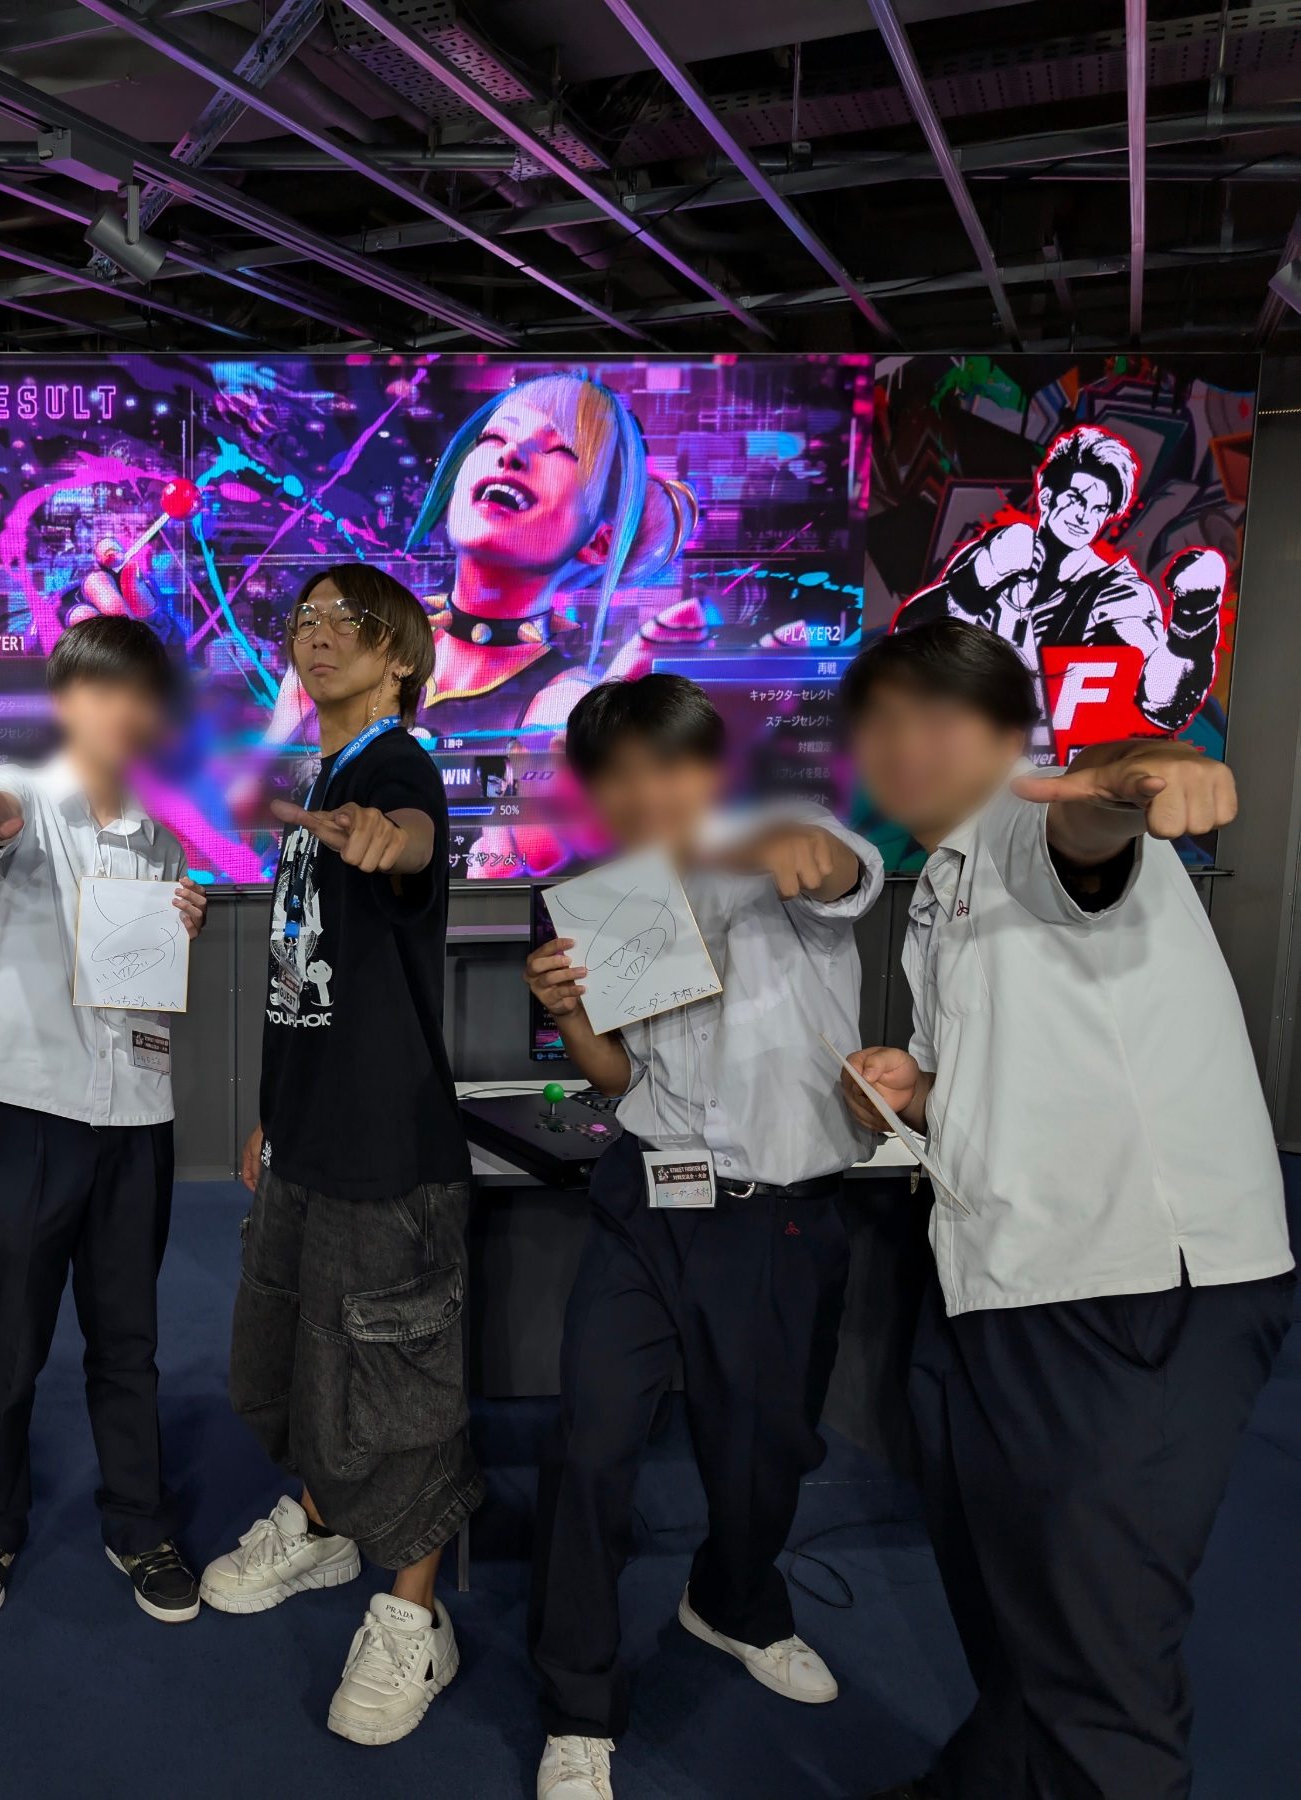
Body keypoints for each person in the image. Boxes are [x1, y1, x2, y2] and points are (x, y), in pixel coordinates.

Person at [835, 620, 1291, 1800]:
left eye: (940, 715)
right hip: (1002, 1276)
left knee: (1098, 1659)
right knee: (1008, 1597)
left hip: (1128, 1287)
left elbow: (1090, 833)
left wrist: (1142, 772)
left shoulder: (1023, 826)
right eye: (880, 724)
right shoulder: (941, 883)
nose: (904, 745)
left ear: (1011, 734)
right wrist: (921, 1091)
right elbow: (1022, 1067)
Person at [519, 674, 883, 1800]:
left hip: (779, 1213)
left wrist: (789, 847)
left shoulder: (786, 842)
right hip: (644, 1198)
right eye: (617, 778)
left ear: (710, 769)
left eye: (668, 767)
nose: (645, 794)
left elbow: (837, 872)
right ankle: (576, 1704)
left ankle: (733, 1600)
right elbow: (619, 1075)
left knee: (763, 1452)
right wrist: (569, 1011)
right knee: (591, 1445)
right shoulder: (602, 901)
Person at [206, 563, 480, 1746]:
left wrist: (389, 838)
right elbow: (303, 982)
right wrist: (274, 1109)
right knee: (296, 1357)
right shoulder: (323, 778)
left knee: (397, 1383)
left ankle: (415, 1615)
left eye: (347, 620)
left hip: (389, 1149)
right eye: (304, 618)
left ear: (400, 657)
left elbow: (409, 836)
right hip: (309, 1134)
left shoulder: (393, 768)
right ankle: (321, 1524)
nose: (317, 634)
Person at [0, 616, 209, 1628]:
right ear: (65, 702)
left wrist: (181, 925)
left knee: (128, 1338)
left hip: (136, 1113)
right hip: (27, 1110)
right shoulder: (22, 791)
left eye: (137, 695)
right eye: (97, 691)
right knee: (8, 1337)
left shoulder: (161, 836)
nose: (118, 712)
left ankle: (139, 1522)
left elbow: (146, 982)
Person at [262, 375, 698, 878]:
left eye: (558, 451)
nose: (511, 454)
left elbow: (504, 874)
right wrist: (285, 737)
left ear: (599, 543)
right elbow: (248, 829)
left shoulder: (562, 702)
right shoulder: (353, 652)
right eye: (493, 438)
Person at [892, 424, 1224, 738]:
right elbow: (904, 643)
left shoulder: (1117, 591)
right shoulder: (997, 554)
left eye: (1099, 509)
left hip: (1064, 771)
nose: (1084, 516)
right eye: (1076, 498)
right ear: (1047, 494)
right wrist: (982, 575)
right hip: (969, 758)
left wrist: (1192, 625)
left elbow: (1159, 700)